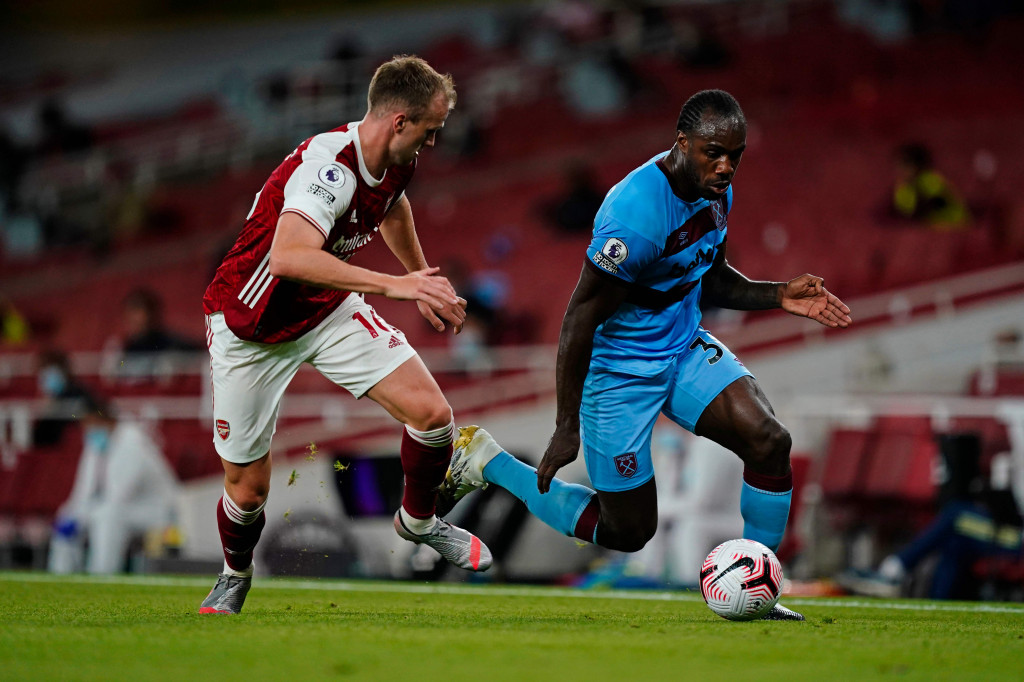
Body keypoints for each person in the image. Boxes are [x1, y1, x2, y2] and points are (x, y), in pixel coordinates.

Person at [439, 89, 852, 620]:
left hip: (680, 347)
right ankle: (489, 462)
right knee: (629, 532)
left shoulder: (715, 190)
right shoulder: (635, 213)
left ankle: (760, 587)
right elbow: (578, 319)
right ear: (682, 143)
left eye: (736, 155)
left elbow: (710, 279)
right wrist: (566, 427)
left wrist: (777, 294)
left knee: (769, 441)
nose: (726, 166)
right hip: (618, 373)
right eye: (713, 152)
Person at [199, 55, 491, 615]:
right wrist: (394, 287)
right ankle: (235, 574)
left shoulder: (396, 159)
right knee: (248, 491)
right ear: (399, 121)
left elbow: (392, 208)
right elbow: (287, 257)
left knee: (432, 416)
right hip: (250, 326)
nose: (434, 143)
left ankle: (420, 522)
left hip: (324, 310)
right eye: (429, 131)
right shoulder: (326, 167)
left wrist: (419, 276)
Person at [48, 396, 179, 574]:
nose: (88, 429)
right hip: (123, 507)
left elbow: (120, 494)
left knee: (107, 515)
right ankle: (60, 576)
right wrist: (74, 514)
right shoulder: (95, 444)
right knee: (67, 515)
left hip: (156, 511)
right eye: (85, 425)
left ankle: (102, 575)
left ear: (106, 420)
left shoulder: (133, 440)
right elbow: (83, 490)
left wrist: (85, 515)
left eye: (92, 423)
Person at [890, 142, 969, 230]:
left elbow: (934, 204)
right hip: (928, 229)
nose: (900, 170)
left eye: (905, 165)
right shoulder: (902, 188)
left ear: (916, 165)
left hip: (953, 224)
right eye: (899, 165)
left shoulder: (931, 179)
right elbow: (906, 215)